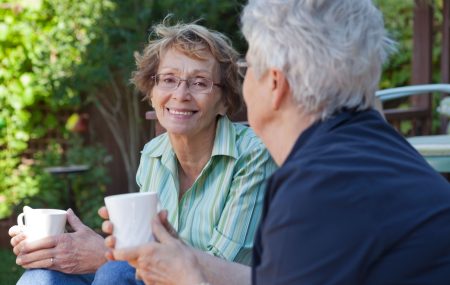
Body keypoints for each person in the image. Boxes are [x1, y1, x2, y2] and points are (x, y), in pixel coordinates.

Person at [109, 0, 450, 284]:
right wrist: (183, 258)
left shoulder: (317, 184)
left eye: (250, 67)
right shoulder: (372, 148)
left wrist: (188, 277)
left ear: (275, 84)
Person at [9, 21, 276, 285]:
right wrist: (59, 250)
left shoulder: (253, 155)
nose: (180, 94)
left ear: (224, 101)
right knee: (41, 276)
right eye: (169, 80)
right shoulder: (153, 154)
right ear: (152, 92)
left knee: (115, 272)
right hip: (155, 278)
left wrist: (106, 253)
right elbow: (141, 246)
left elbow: (220, 268)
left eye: (200, 82)